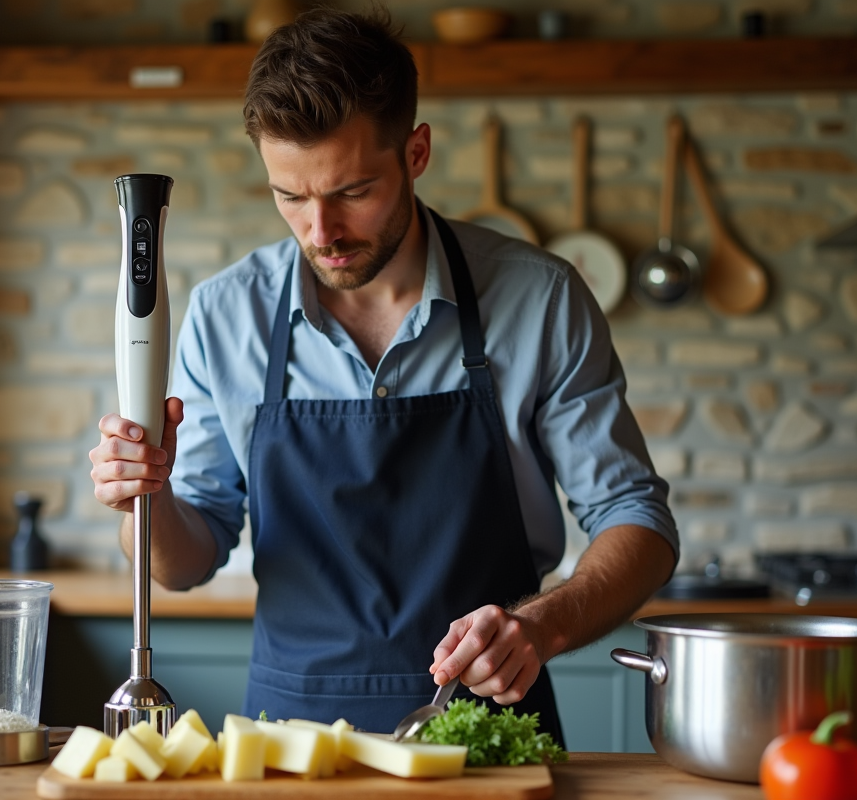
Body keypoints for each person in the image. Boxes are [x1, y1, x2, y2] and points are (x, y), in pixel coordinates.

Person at [89, 7, 678, 742]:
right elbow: (185, 562)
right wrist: (147, 497)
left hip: (487, 736)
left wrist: (545, 622)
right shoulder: (223, 315)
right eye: (291, 197)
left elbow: (639, 521)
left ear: (417, 152)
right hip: (288, 742)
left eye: (352, 191)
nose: (320, 232)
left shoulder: (539, 297)